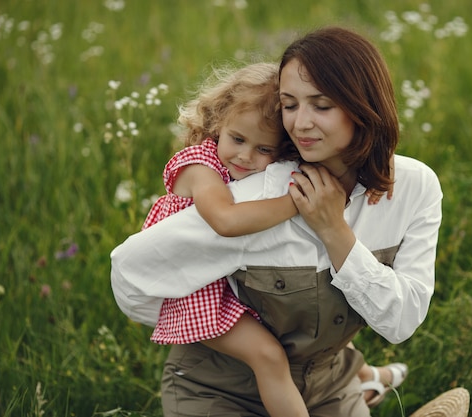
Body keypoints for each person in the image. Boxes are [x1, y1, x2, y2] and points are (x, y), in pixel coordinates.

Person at [111, 26, 442, 416]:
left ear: (364, 106)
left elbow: (400, 322)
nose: (300, 124)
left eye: (321, 106)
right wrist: (206, 326)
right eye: (289, 105)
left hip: (328, 387)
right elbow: (130, 273)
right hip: (221, 391)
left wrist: (333, 230)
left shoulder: (415, 187)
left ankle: (363, 382)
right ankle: (367, 383)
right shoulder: (258, 198)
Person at [142, 62, 309, 417]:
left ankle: (365, 377)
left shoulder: (255, 166)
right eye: (238, 139)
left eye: (265, 149)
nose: (246, 156)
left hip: (227, 278)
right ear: (218, 123)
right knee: (268, 355)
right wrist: (296, 203)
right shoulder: (199, 168)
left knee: (299, 325)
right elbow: (224, 221)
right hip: (195, 293)